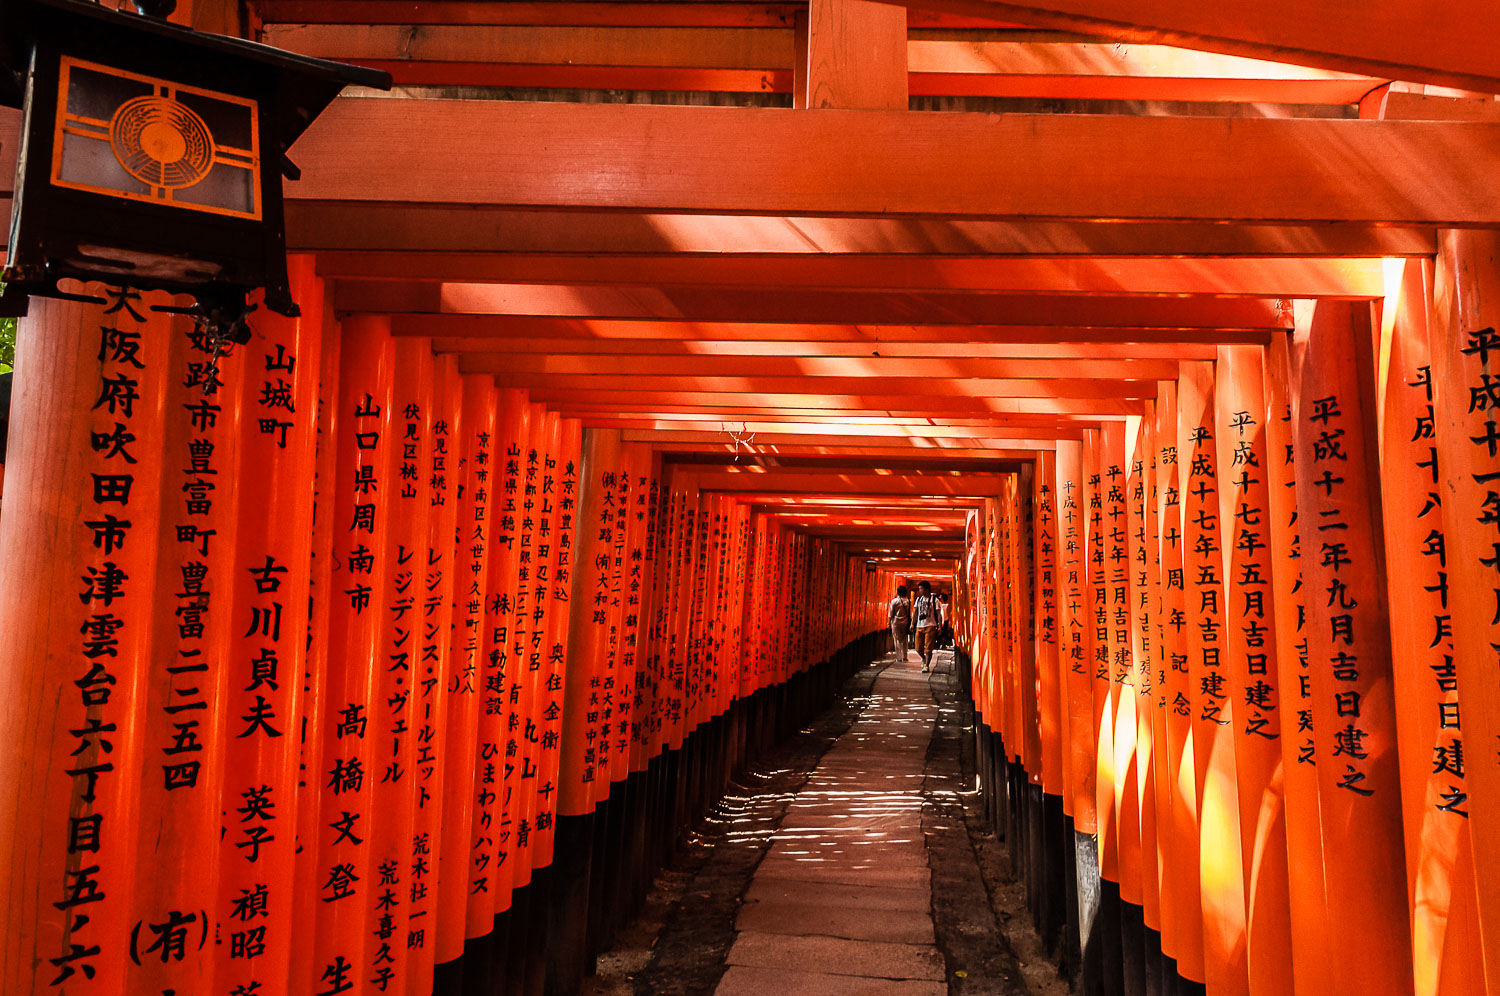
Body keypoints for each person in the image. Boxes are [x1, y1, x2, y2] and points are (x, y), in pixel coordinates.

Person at [913, 580, 941, 672]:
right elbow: (915, 612)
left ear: (927, 589)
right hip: (919, 626)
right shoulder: (918, 599)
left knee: (928, 648)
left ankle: (927, 666)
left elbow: (938, 614)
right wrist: (912, 623)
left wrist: (939, 626)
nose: (919, 590)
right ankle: (924, 659)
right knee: (917, 648)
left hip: (930, 625)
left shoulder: (935, 600)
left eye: (921, 588)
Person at [888, 584, 911, 662]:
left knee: (897, 640)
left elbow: (891, 613)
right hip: (905, 623)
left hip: (896, 623)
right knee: (905, 640)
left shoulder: (894, 601)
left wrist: (889, 623)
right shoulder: (908, 601)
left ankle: (898, 657)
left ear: (898, 592)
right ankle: (905, 656)